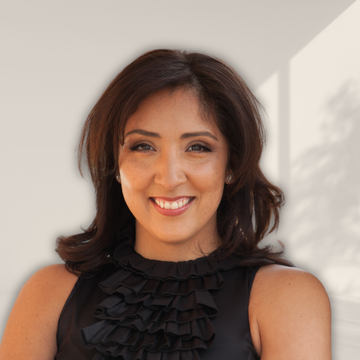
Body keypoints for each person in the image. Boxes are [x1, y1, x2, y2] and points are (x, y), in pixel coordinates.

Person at [0, 49, 331, 360]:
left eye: (198, 147)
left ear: (232, 164)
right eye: (143, 146)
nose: (169, 178)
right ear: (114, 165)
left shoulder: (286, 297)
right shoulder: (49, 292)